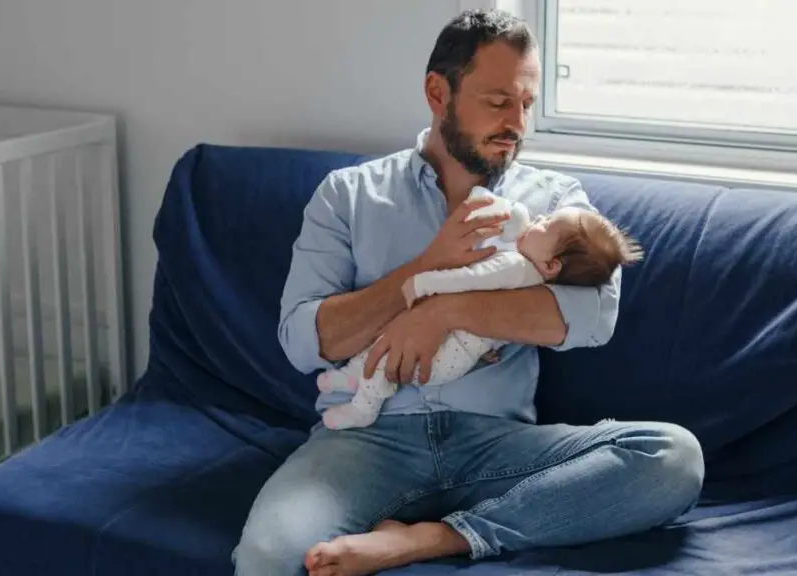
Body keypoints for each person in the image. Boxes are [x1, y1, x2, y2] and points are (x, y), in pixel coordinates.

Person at [232, 9, 704, 576]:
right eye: (499, 101)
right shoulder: (349, 196)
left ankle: (438, 539)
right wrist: (423, 271)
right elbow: (305, 340)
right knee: (267, 556)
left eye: (527, 103)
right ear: (438, 92)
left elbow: (592, 316)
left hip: (497, 446)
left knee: (672, 458)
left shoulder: (557, 201)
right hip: (367, 441)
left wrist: (446, 310)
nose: (518, 123)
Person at [317, 187, 645, 430]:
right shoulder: (533, 275)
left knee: (391, 356)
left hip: (453, 371)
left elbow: (469, 278)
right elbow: (305, 340)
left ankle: (364, 405)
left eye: (545, 225)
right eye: (496, 101)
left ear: (551, 264)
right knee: (389, 344)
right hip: (457, 359)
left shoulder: (515, 267)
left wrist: (425, 287)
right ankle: (350, 378)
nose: (539, 219)